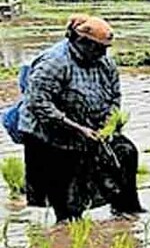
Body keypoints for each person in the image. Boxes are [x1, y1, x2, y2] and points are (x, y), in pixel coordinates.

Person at [17, 14, 143, 222]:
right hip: (52, 134)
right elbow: (38, 103)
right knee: (67, 194)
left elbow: (114, 96)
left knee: (126, 153)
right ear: (81, 42)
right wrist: (78, 128)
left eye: (105, 49)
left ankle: (125, 211)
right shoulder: (55, 63)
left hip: (90, 129)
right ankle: (67, 226)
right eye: (98, 48)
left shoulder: (105, 63)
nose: (103, 53)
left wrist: (107, 124)